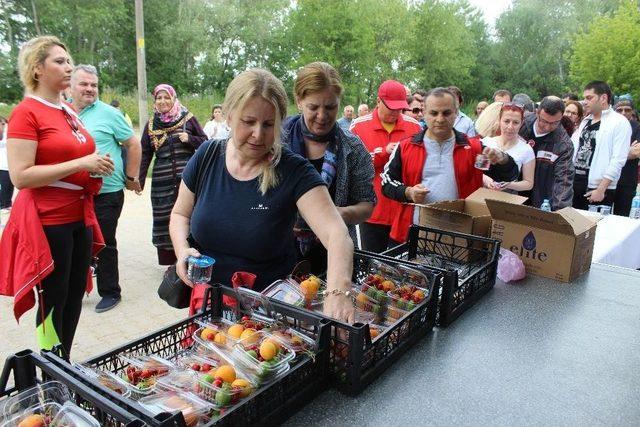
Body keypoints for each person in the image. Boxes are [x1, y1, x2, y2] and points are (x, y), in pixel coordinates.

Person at [169, 68, 355, 323]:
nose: (258, 134)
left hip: (268, 317)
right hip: (207, 306)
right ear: (230, 116)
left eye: (268, 124)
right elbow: (180, 213)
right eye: (249, 122)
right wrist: (182, 250)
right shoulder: (207, 156)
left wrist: (338, 291)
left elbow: (337, 234)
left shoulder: (293, 170)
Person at [0, 36, 111, 357]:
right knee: (53, 296)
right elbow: (21, 175)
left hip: (79, 216)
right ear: (37, 69)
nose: (69, 66)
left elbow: (73, 156)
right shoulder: (26, 112)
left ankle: (64, 360)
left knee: (74, 294)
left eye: (68, 60)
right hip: (50, 221)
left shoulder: (66, 110)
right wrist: (82, 163)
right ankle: (50, 364)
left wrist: (95, 168)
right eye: (60, 61)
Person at [380, 88, 519, 244]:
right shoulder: (406, 147)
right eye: (434, 113)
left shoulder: (473, 148)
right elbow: (387, 182)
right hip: (410, 234)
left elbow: (510, 175)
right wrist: (408, 192)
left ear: (456, 113)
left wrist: (502, 159)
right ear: (424, 113)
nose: (440, 119)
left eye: (446, 113)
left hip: (459, 237)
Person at [281, 62, 375, 273]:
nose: (322, 116)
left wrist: (333, 215)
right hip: (279, 252)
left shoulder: (353, 147)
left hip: (333, 256)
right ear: (299, 101)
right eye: (313, 107)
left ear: (339, 103)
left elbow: (366, 205)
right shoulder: (277, 142)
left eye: (330, 107)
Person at [69, 64, 142, 313]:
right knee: (78, 242)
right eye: (84, 84)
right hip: (74, 191)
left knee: (104, 242)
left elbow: (133, 144)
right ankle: (76, 289)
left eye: (94, 85)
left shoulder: (109, 113)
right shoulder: (64, 112)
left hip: (107, 192)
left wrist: (131, 177)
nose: (90, 89)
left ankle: (111, 292)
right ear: (71, 86)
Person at [139, 84, 207, 265]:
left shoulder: (188, 119)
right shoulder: (151, 124)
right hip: (162, 182)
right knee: (165, 218)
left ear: (173, 99)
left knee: (191, 215)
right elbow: (145, 153)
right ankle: (171, 263)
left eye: (166, 97)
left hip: (188, 180)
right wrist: (139, 179)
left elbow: (205, 143)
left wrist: (190, 139)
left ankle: (195, 257)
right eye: (159, 98)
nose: (162, 101)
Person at [349, 80, 421, 252]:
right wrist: (383, 152)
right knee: (371, 265)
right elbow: (351, 165)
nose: (395, 112)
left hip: (403, 213)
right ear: (378, 101)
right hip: (372, 212)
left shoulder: (415, 127)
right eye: (391, 107)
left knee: (401, 268)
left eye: (399, 108)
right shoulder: (359, 126)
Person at [571, 81, 631, 210]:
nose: (585, 102)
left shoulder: (619, 122)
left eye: (589, 97)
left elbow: (618, 159)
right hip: (576, 182)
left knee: (594, 228)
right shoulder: (585, 121)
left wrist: (601, 188)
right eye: (584, 98)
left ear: (603, 98)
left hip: (598, 188)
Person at [519, 96, 574, 210]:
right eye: (544, 121)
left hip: (540, 200)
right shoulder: (521, 124)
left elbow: (564, 180)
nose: (548, 127)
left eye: (554, 123)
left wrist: (560, 210)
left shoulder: (563, 144)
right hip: (513, 193)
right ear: (537, 112)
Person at [481, 103, 535, 193]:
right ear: (499, 121)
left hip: (508, 196)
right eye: (506, 121)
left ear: (521, 124)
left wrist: (509, 184)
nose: (510, 127)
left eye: (515, 122)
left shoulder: (527, 150)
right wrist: (487, 181)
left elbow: (528, 183)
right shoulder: (486, 142)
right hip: (482, 192)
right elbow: (479, 170)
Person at [612, 99, 640, 216]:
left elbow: (636, 151)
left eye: (627, 110)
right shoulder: (607, 126)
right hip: (605, 179)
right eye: (619, 110)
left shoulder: (638, 127)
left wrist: (613, 154)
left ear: (632, 112)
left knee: (621, 216)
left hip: (627, 180)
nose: (623, 113)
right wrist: (626, 151)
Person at [0, 116, 12, 209]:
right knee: (4, 187)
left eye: (4, 124)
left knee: (8, 187)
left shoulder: (9, 132)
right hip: (3, 166)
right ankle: (4, 205)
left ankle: (6, 205)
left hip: (8, 166)